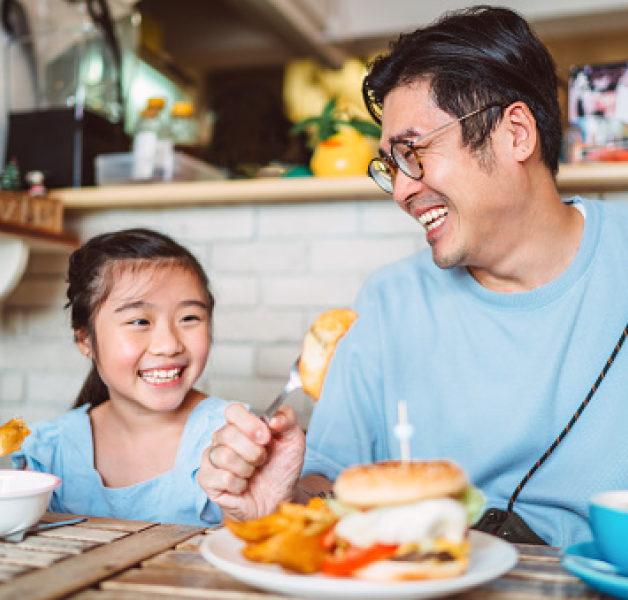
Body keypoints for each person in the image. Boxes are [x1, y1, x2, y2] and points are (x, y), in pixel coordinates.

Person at [197, 5, 628, 547]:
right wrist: (279, 500)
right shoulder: (388, 301)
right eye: (390, 165)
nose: (401, 190)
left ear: (515, 133)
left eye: (414, 152)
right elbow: (331, 489)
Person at [12, 228, 242, 526]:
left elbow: (312, 488)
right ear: (86, 340)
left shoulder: (235, 437)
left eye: (189, 318)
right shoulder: (49, 452)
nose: (169, 344)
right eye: (139, 321)